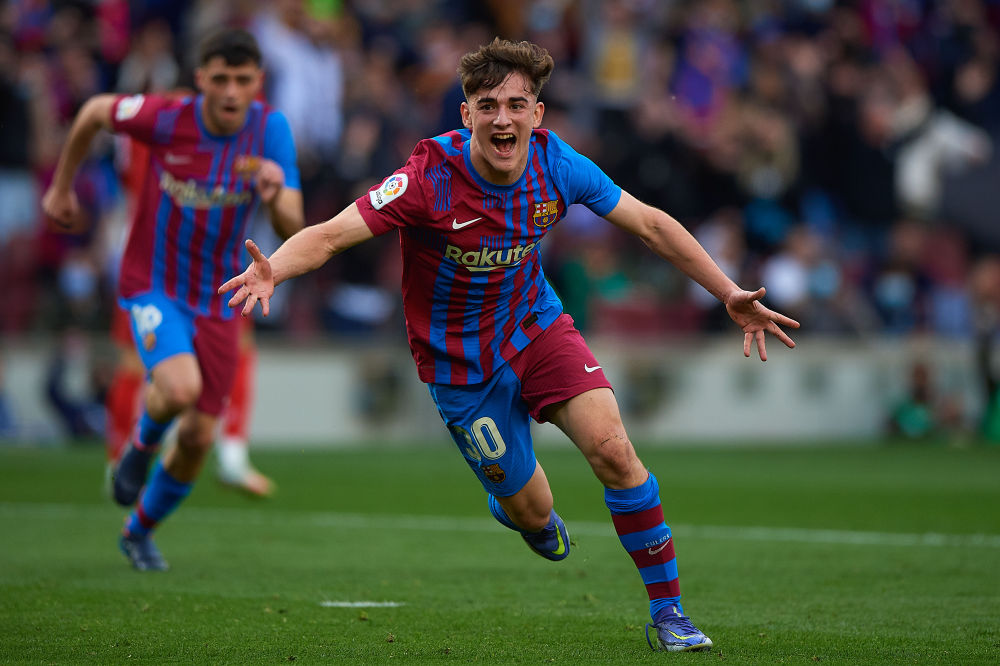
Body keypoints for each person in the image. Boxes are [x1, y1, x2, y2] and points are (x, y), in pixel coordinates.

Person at [222, 38, 798, 652]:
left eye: (517, 105)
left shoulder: (558, 165)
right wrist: (275, 270)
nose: (503, 119)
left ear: (537, 114)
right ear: (466, 113)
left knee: (614, 450)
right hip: (459, 366)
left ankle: (670, 614)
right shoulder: (426, 178)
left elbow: (650, 224)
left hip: (535, 328)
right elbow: (333, 235)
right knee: (533, 513)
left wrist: (727, 291)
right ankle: (517, 507)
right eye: (489, 105)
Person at [42, 28, 304, 571]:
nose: (231, 91)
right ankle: (140, 446)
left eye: (242, 80)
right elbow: (93, 111)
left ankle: (138, 532)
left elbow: (294, 224)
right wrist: (62, 188)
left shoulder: (270, 129)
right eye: (221, 79)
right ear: (201, 78)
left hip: (220, 299)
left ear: (257, 81)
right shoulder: (166, 118)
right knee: (180, 387)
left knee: (198, 439)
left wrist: (276, 193)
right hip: (155, 284)